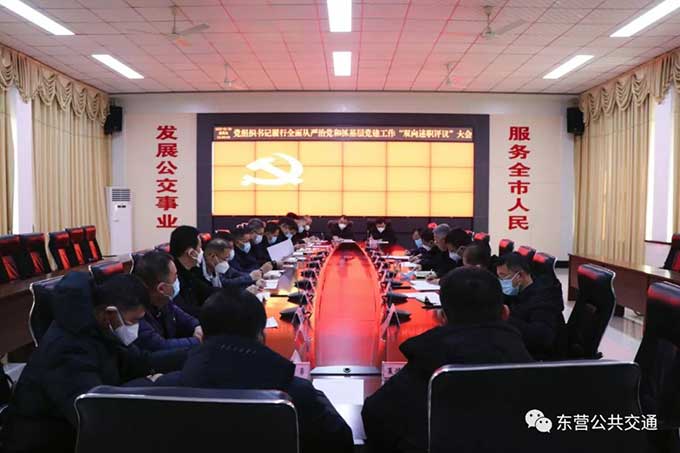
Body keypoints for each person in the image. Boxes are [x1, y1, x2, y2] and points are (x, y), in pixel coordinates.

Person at [1, 273, 186, 453]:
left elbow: (141, 361)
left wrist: (193, 353)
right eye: (134, 320)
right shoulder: (68, 349)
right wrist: (148, 383)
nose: (135, 328)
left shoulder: (100, 328)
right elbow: (93, 414)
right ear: (110, 313)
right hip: (44, 443)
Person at [157, 289, 354, 453]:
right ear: (260, 337)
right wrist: (318, 396)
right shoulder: (295, 395)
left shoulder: (165, 391)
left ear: (203, 336)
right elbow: (341, 441)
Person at [362, 267, 533, 453]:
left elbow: (375, 414)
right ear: (505, 313)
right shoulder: (529, 364)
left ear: (442, 317)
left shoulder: (432, 361)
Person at [496, 252, 567, 361]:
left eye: (504, 276)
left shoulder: (543, 298)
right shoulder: (519, 291)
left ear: (520, 276)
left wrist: (506, 317)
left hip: (542, 359)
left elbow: (542, 338)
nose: (502, 282)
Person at [133, 250, 202, 352]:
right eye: (175, 277)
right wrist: (197, 340)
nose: (178, 280)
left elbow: (187, 319)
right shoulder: (136, 313)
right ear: (161, 288)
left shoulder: (165, 302)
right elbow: (160, 346)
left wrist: (197, 327)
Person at [170, 225, 217, 317]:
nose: (202, 252)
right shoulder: (173, 278)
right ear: (191, 253)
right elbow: (185, 310)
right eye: (200, 248)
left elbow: (207, 291)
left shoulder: (192, 271)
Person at [200, 238, 264, 292]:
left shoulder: (216, 265)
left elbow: (235, 273)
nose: (226, 262)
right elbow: (225, 284)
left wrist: (253, 279)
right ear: (212, 256)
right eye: (224, 259)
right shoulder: (198, 271)